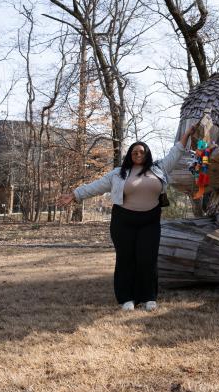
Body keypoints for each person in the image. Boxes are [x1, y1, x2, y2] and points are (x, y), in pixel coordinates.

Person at [57, 128, 193, 311]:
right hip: (123, 221)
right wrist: (75, 194)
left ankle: (148, 297)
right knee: (126, 259)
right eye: (134, 152)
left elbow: (175, 152)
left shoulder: (159, 169)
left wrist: (188, 134)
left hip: (150, 221)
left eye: (142, 152)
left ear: (147, 154)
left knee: (148, 259)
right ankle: (126, 298)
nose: (138, 154)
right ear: (130, 155)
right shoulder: (118, 173)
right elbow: (96, 186)